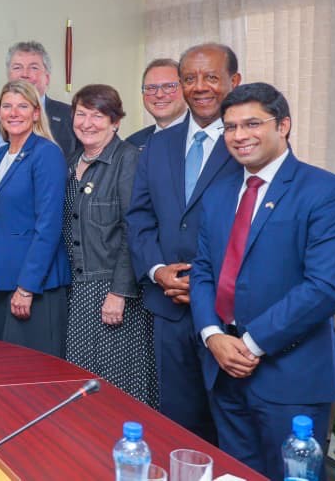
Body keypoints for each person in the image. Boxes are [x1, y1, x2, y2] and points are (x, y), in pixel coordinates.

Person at [191, 82, 335, 478]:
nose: (240, 136)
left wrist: (249, 344)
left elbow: (326, 287)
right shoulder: (218, 194)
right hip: (222, 370)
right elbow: (205, 271)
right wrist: (212, 335)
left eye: (252, 123)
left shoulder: (326, 192)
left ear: (284, 126)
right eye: (230, 127)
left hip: (290, 378)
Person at [126, 42, 242, 443]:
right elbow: (139, 216)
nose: (200, 87)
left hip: (231, 315)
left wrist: (207, 283)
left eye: (211, 77)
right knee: (179, 429)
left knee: (231, 430)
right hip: (168, 308)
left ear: (234, 82)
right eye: (190, 78)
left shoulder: (247, 142)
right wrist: (158, 271)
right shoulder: (157, 145)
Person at [62, 84, 157, 406]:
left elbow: (136, 230)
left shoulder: (128, 160)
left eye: (98, 116)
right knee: (84, 380)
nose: (87, 123)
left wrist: (118, 293)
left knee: (117, 384)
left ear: (115, 121)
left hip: (112, 290)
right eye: (81, 114)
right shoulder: (73, 159)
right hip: (78, 287)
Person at [0, 80, 70, 356]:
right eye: (7, 106)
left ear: (36, 113)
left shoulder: (46, 153)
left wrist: (26, 287)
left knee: (28, 377)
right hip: (1, 285)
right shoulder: (0, 156)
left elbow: (48, 226)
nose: (14, 113)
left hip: (34, 288)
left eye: (22, 106)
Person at [0, 41, 75, 164]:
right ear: (8, 76)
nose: (25, 74)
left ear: (47, 78)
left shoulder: (69, 116)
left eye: (33, 68)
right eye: (17, 67)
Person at [126, 58, 188, 150]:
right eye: (151, 88)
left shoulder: (206, 135)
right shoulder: (132, 144)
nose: (159, 94)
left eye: (169, 86)